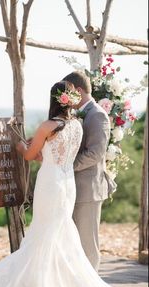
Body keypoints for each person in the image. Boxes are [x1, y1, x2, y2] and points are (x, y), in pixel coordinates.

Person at [0, 81, 148, 287]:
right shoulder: (76, 126)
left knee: (43, 233)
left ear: (53, 99)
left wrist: (16, 143)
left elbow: (28, 155)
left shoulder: (48, 126)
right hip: (67, 182)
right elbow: (55, 156)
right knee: (57, 234)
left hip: (50, 184)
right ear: (70, 99)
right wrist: (39, 152)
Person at [63, 71, 112, 271]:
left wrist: (67, 167)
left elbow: (96, 153)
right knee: (75, 244)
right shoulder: (81, 113)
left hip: (89, 190)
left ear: (78, 90)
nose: (64, 98)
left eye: (67, 91)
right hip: (76, 188)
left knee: (88, 245)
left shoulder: (97, 114)